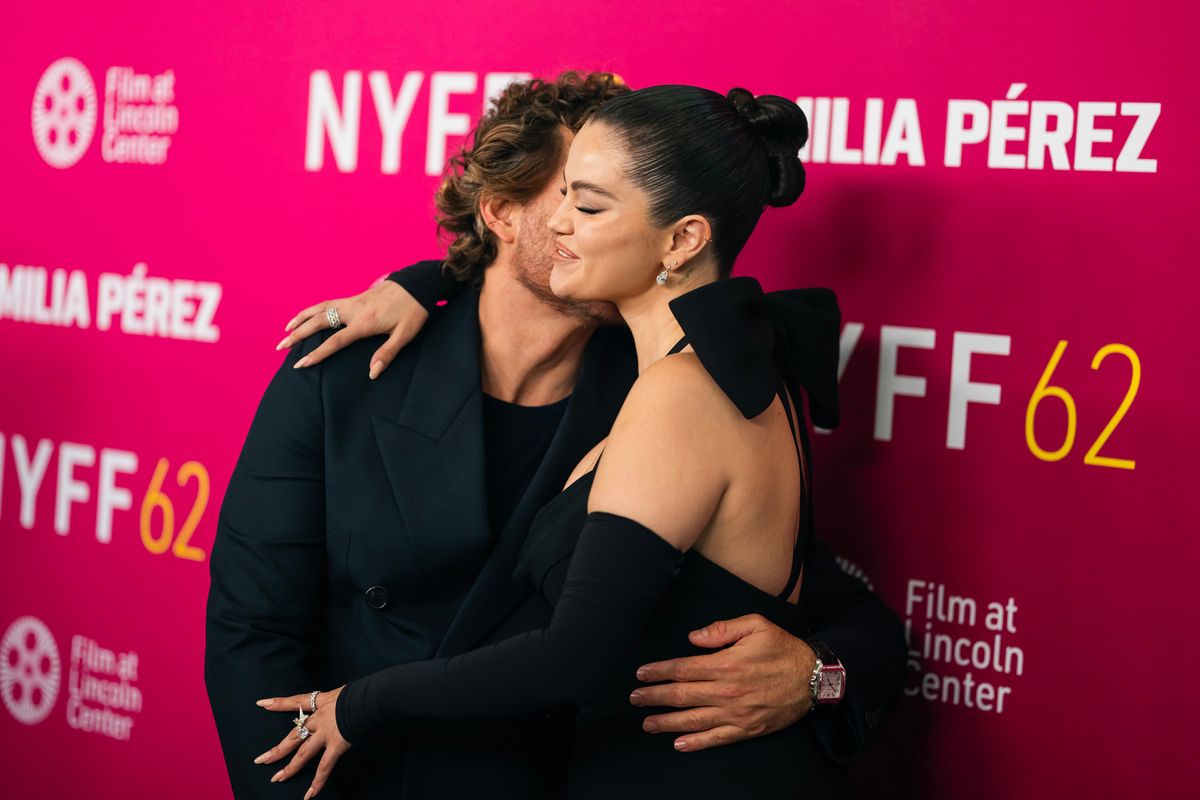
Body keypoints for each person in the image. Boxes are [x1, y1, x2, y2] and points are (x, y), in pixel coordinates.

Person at [204, 73, 905, 800]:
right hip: (372, 778)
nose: (572, 217)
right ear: (502, 212)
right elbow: (251, 640)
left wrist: (818, 675)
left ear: (673, 232)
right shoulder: (345, 374)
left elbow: (819, 598)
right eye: (565, 191)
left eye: (593, 198)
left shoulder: (667, 386)